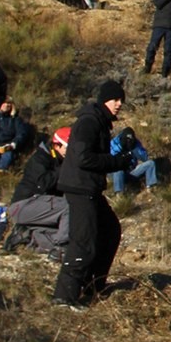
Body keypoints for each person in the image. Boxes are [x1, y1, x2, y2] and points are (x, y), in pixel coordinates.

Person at [53, 79, 134, 309]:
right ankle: (64, 296)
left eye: (121, 100)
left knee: (109, 231)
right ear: (104, 100)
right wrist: (116, 161)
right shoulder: (89, 122)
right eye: (115, 99)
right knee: (84, 241)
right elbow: (82, 157)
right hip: (80, 188)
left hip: (89, 188)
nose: (119, 104)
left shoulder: (99, 121)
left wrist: (117, 162)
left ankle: (94, 286)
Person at [4, 128, 69, 256]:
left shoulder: (59, 160)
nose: (71, 153)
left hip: (35, 208)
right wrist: (64, 169)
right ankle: (60, 248)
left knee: (65, 229)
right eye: (68, 148)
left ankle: (28, 236)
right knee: (69, 206)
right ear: (57, 145)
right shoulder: (40, 158)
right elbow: (42, 184)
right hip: (24, 205)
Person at [107, 127, 158, 194]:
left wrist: (135, 149)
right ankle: (119, 194)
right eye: (127, 140)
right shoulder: (114, 142)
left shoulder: (136, 143)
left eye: (131, 140)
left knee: (150, 163)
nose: (129, 142)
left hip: (130, 172)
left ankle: (151, 187)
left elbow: (145, 158)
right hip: (115, 174)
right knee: (119, 170)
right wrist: (121, 150)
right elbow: (109, 159)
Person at [0, 100, 34, 170]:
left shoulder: (16, 121)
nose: (6, 106)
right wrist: (0, 112)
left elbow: (21, 134)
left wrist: (13, 144)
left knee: (4, 163)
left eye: (9, 105)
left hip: (8, 148)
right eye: (4, 104)